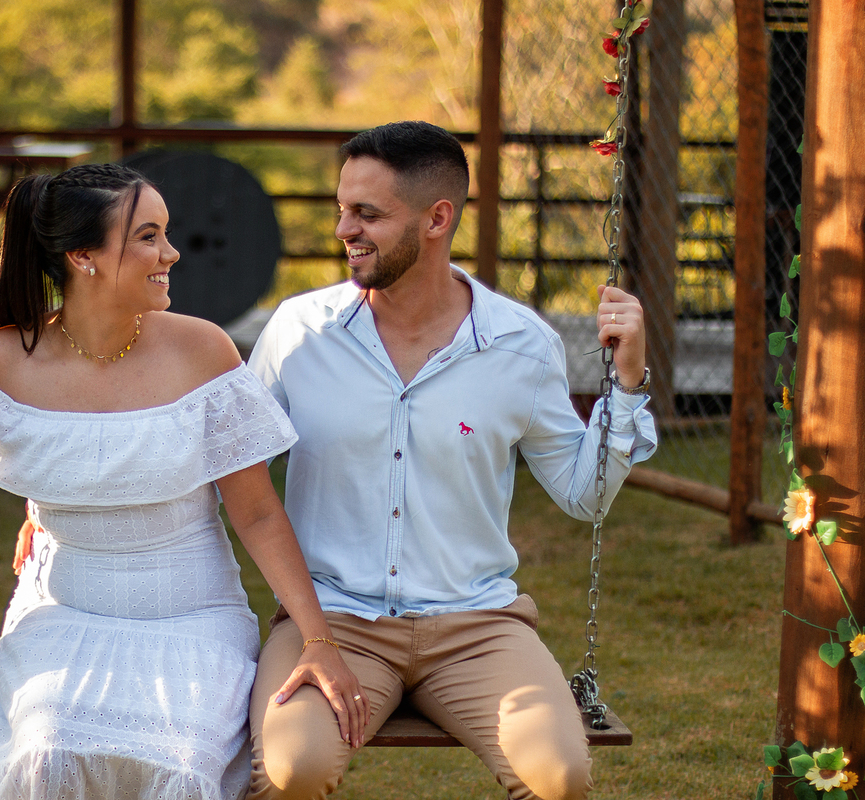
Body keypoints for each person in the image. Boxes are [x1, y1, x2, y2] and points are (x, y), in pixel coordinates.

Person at [0, 163, 368, 800]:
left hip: (191, 619)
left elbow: (259, 514)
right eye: (148, 237)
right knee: (49, 749)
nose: (172, 253)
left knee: (179, 765)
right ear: (83, 257)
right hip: (62, 616)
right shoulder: (4, 362)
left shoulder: (202, 351)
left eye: (165, 233)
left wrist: (317, 638)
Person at [243, 121, 658, 800]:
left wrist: (629, 384)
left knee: (559, 778)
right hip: (333, 622)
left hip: (477, 629)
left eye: (368, 214)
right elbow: (235, 480)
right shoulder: (299, 333)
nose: (344, 229)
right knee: (295, 769)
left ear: (437, 219)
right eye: (342, 209)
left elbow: (586, 496)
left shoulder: (522, 346)